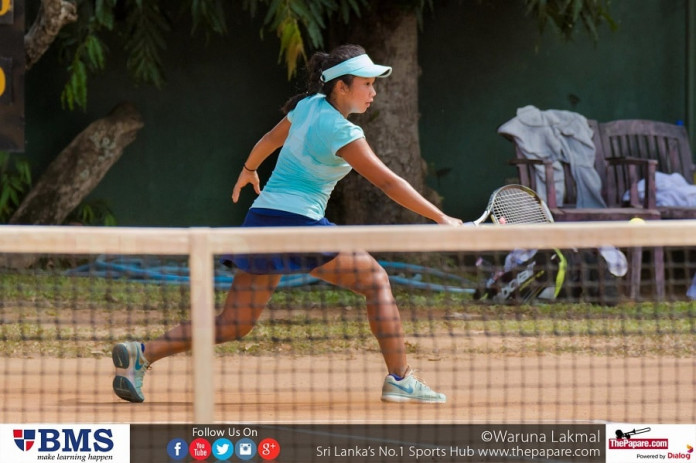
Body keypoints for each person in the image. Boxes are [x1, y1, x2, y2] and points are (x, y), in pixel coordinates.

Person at [112, 44, 462, 404]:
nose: (373, 92)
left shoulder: (307, 107)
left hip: (262, 220)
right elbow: (389, 182)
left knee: (234, 323)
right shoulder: (343, 132)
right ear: (341, 86)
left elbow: (268, 141)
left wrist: (249, 170)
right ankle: (401, 379)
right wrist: (441, 217)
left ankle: (143, 353)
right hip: (300, 224)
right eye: (366, 84)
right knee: (375, 281)